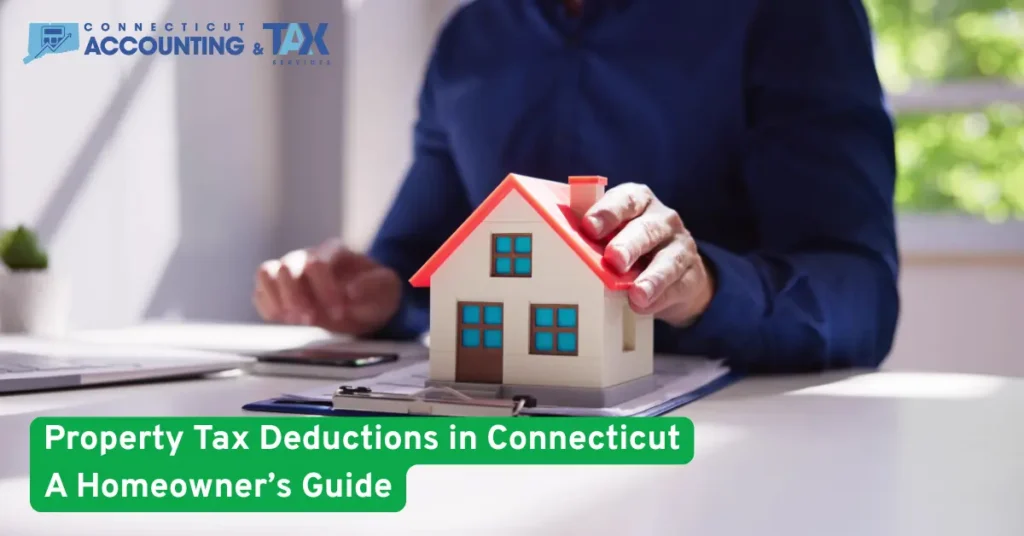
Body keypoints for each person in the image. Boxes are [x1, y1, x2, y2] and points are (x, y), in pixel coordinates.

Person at [253, 0, 900, 373]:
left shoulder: (790, 15)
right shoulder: (471, 39)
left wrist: (704, 289)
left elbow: (861, 298)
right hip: (495, 443)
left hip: (731, 453)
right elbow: (420, 265)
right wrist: (374, 295)